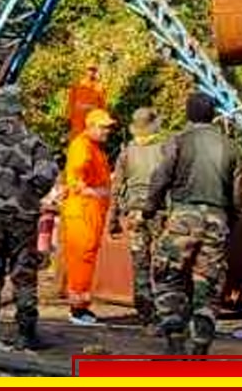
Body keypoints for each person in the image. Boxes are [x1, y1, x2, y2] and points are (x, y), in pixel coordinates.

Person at [144, 93, 242, 355]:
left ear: (189, 114)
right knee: (207, 285)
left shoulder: (178, 141)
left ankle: (175, 342)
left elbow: (161, 177)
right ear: (212, 115)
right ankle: (200, 349)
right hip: (217, 221)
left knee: (168, 277)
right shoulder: (230, 146)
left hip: (183, 218)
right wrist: (231, 223)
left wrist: (149, 208)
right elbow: (237, 195)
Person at [0, 84, 58, 349]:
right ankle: (26, 333)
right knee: (24, 274)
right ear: (19, 110)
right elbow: (47, 175)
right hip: (23, 219)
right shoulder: (33, 143)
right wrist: (28, 196)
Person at [109, 107, 167, 326]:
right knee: (163, 264)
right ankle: (165, 311)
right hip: (160, 213)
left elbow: (116, 188)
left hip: (134, 214)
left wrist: (112, 219)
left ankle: (145, 314)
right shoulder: (165, 150)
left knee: (140, 264)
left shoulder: (126, 153)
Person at [62, 108, 116, 325]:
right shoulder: (82, 146)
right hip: (82, 213)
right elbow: (75, 181)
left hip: (89, 212)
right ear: (91, 126)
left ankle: (81, 306)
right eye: (103, 127)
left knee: (87, 259)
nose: (107, 132)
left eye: (108, 128)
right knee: (81, 260)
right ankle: (77, 309)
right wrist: (99, 192)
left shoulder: (94, 147)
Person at [65, 63, 107, 140]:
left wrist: (102, 120)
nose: (91, 72)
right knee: (77, 140)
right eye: (89, 70)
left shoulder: (99, 87)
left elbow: (103, 106)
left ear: (96, 72)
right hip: (77, 121)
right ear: (85, 71)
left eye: (93, 70)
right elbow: (71, 101)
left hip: (92, 122)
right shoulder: (77, 85)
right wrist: (69, 116)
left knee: (90, 141)